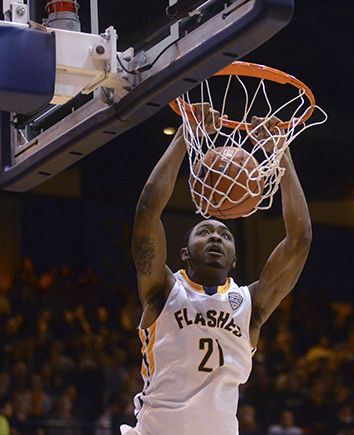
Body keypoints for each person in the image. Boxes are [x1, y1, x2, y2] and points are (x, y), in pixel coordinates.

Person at [120, 111, 312, 435]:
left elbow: (300, 239)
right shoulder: (163, 291)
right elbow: (146, 212)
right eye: (204, 232)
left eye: (225, 235)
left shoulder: (250, 304)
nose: (215, 238)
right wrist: (184, 136)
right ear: (184, 253)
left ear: (235, 259)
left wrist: (282, 156)